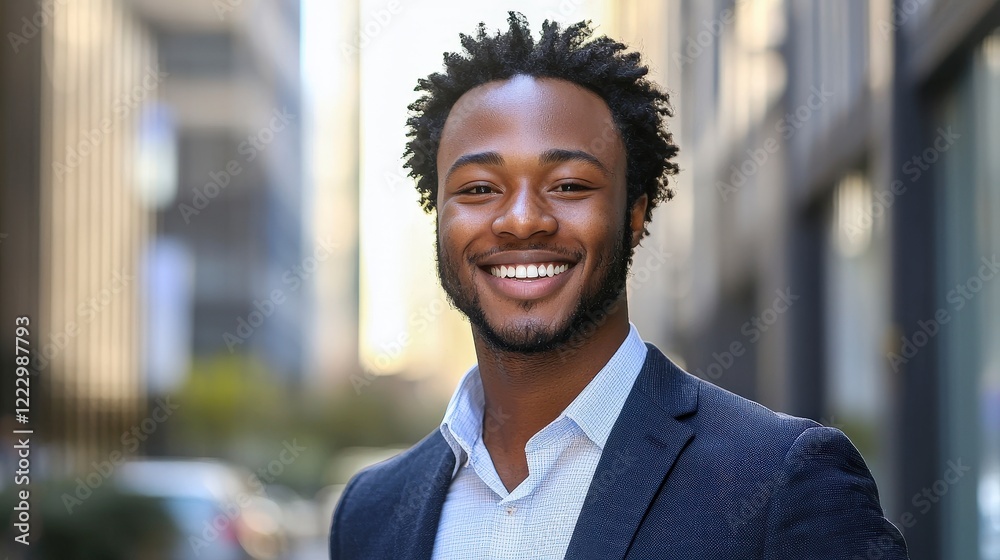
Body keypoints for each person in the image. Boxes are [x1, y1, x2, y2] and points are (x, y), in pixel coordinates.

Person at [330, 13, 909, 560]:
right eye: (480, 189)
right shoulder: (372, 512)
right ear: (438, 214)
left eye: (570, 185)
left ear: (635, 213)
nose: (522, 219)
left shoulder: (784, 481)